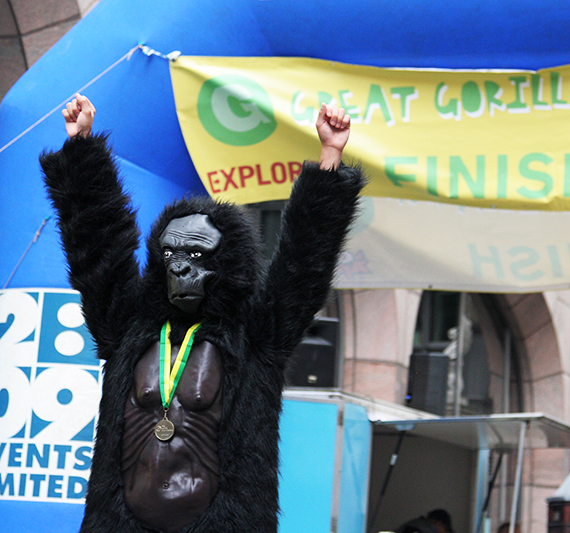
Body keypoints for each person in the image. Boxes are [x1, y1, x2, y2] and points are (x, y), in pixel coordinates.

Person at [41, 94, 365, 533]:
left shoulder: (256, 337)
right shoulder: (128, 327)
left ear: (223, 264)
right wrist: (81, 148)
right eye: (171, 252)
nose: (180, 264)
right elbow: (96, 248)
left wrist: (330, 157)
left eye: (195, 253)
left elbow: (304, 264)